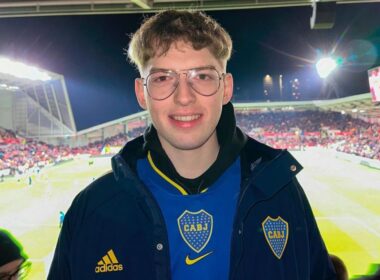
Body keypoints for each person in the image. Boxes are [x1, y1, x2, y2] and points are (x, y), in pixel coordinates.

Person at [48, 10, 336, 279]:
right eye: (162, 78)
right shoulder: (93, 209)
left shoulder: (279, 192)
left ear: (226, 88)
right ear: (141, 93)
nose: (184, 96)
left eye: (203, 76)